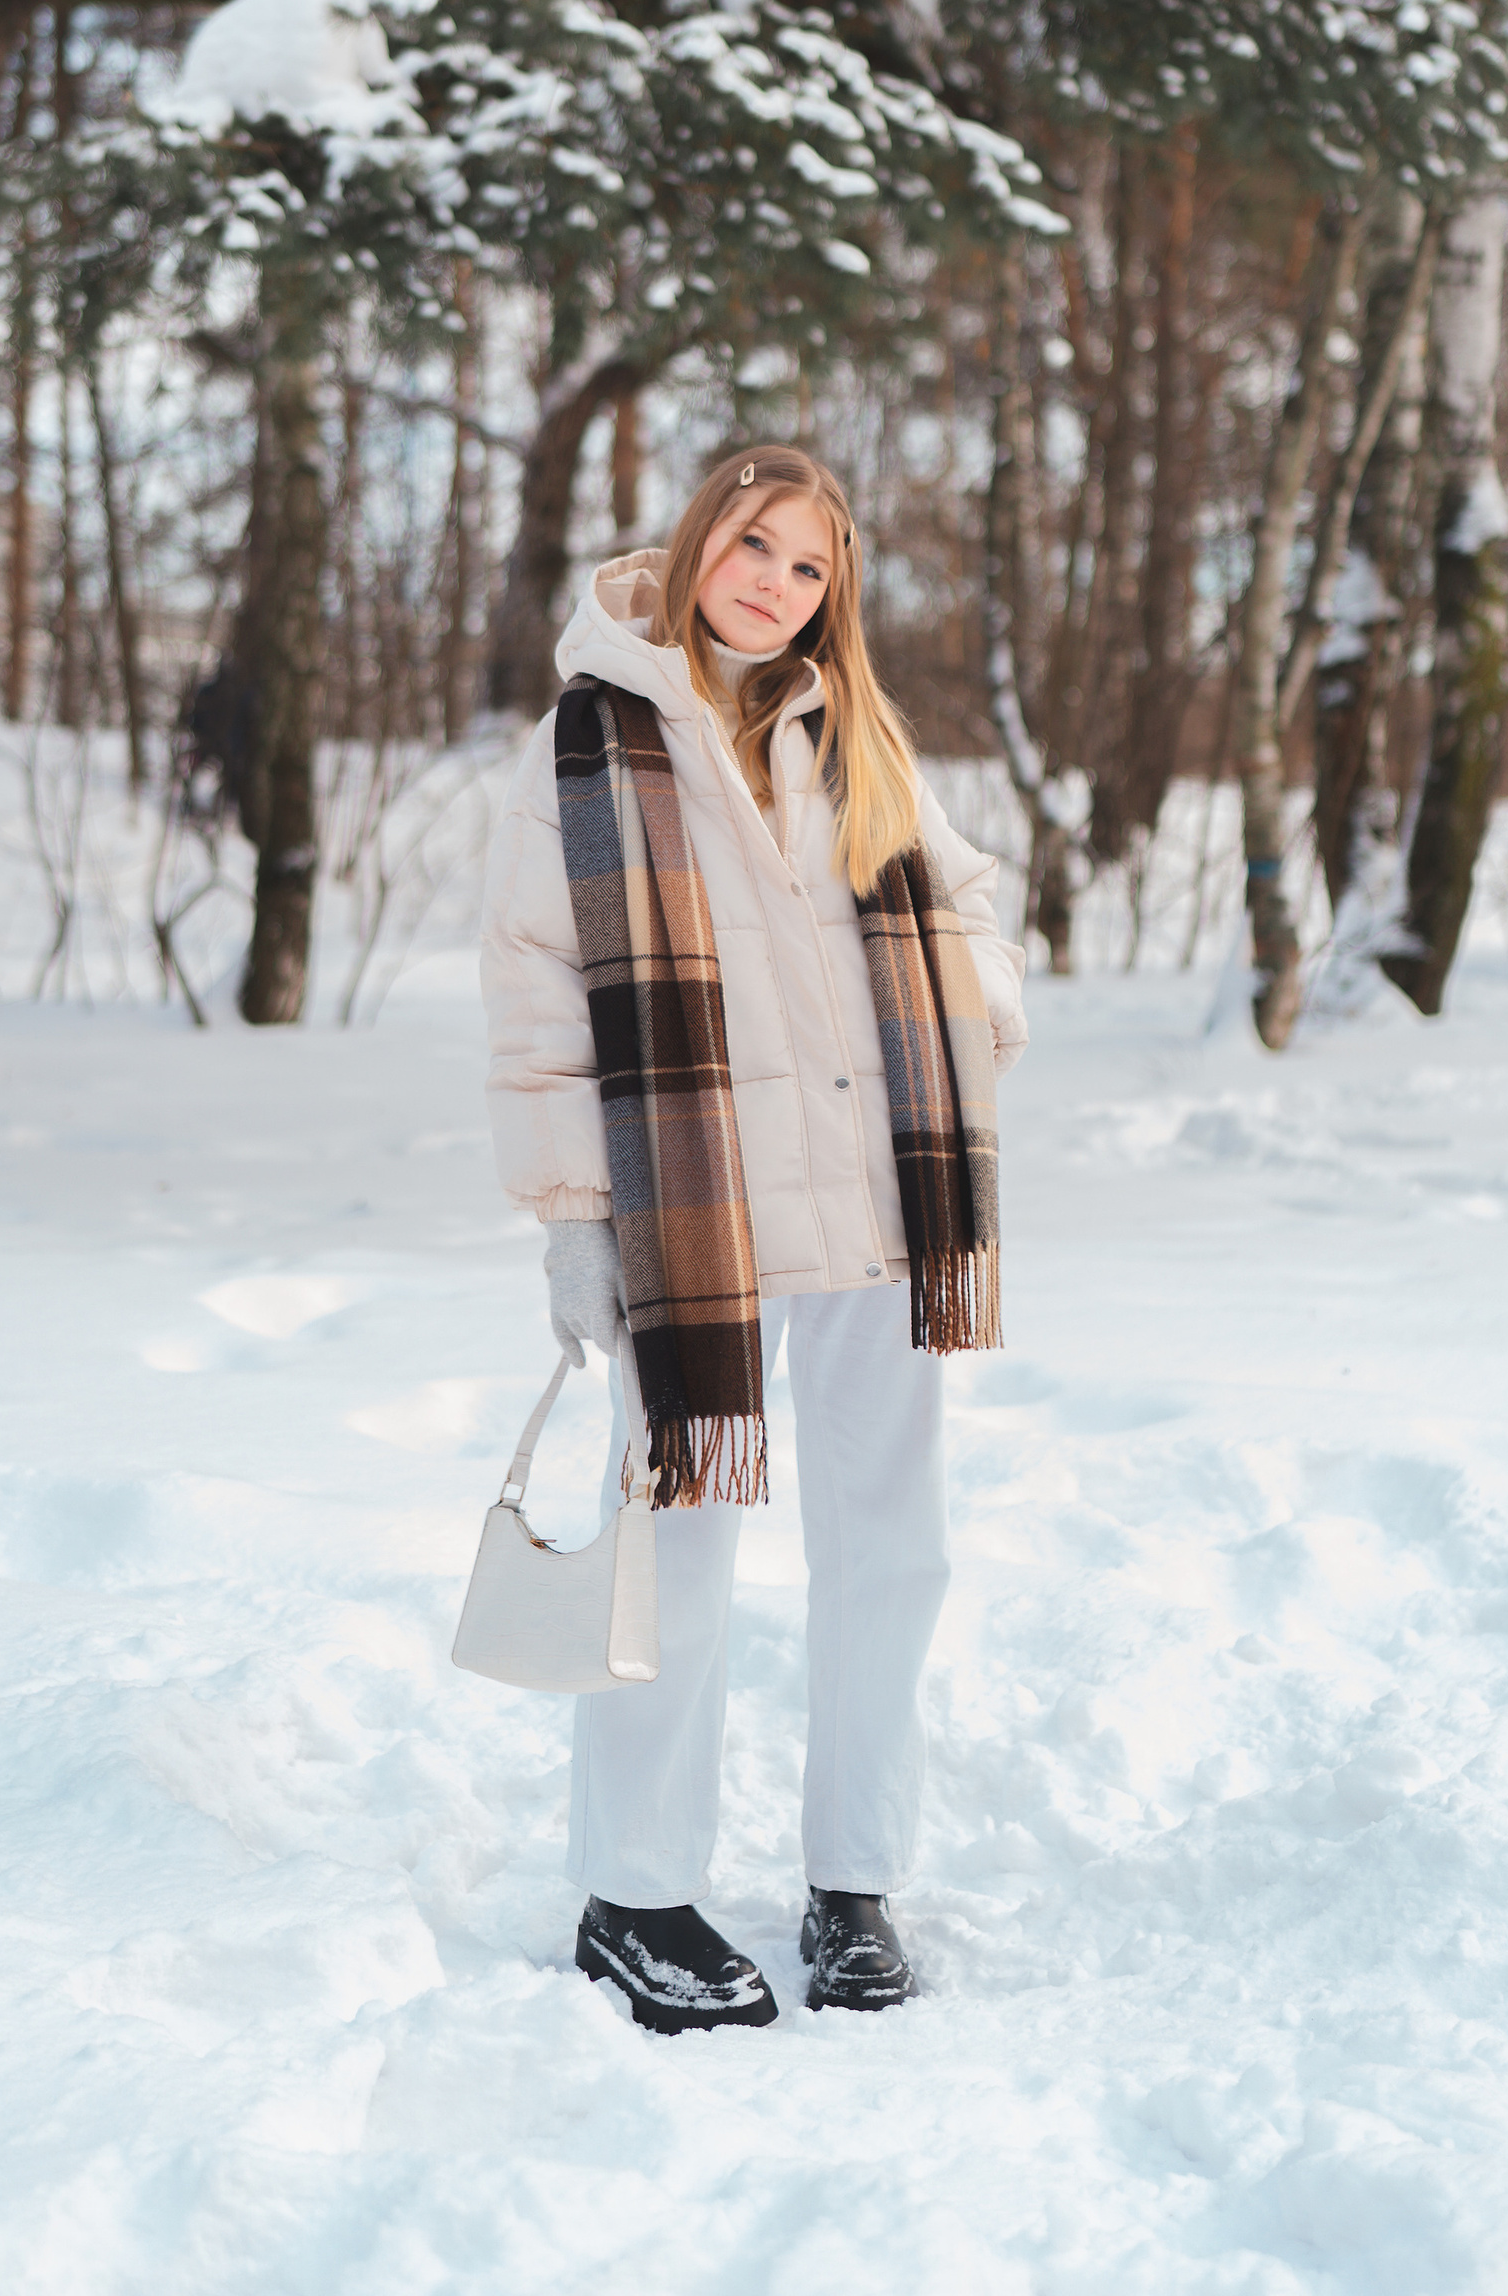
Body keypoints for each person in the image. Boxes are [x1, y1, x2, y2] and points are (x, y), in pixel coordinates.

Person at [479, 443, 1028, 2032]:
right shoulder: (590, 736)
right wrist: (576, 1219)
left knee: (889, 1551)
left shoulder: (853, 729)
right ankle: (635, 1895)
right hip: (695, 1213)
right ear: (699, 538)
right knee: (677, 1557)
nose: (776, 585)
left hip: (873, 1200)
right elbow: (538, 993)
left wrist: (973, 1012)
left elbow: (967, 900)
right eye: (755, 545)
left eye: (809, 568)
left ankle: (853, 1886)